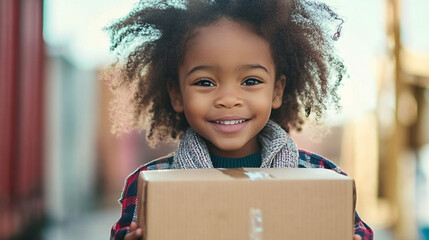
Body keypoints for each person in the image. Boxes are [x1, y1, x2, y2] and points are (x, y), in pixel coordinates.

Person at [105, 0, 374, 239]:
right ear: (176, 94)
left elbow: (358, 231)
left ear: (276, 91)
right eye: (205, 82)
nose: (229, 99)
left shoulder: (320, 176)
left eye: (251, 81)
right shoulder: (149, 184)